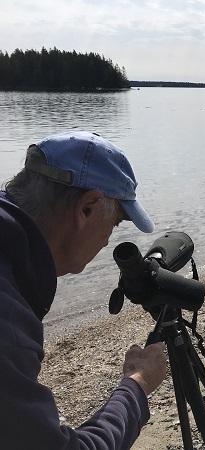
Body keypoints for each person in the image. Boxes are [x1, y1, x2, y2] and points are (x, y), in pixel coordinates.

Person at [0, 131, 168, 449]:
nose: (107, 241)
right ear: (87, 208)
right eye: (115, 224)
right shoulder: (7, 327)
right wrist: (138, 383)